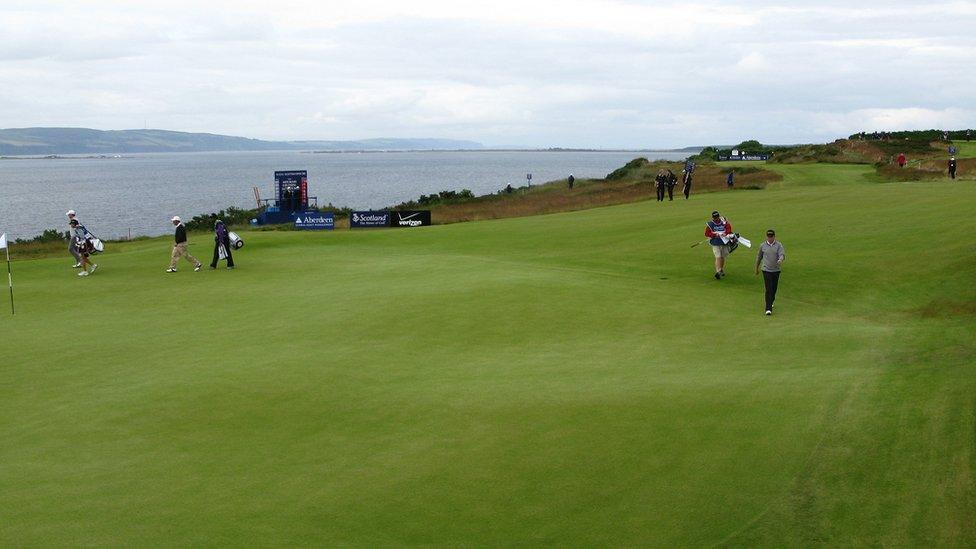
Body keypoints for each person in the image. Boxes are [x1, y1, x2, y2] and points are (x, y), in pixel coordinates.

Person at [755, 229, 785, 315]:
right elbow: (759, 257)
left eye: (771, 236)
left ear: (774, 236)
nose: (770, 238)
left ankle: (771, 301)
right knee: (768, 288)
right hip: (766, 269)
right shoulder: (762, 245)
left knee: (774, 288)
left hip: (776, 270)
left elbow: (782, 254)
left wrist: (780, 260)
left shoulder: (779, 245)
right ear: (766, 236)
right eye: (768, 236)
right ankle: (768, 308)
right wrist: (756, 268)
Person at [705, 210, 733, 279]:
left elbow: (729, 228)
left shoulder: (723, 221)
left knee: (722, 257)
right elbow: (707, 233)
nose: (716, 219)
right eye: (715, 218)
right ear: (712, 218)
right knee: (718, 256)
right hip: (715, 242)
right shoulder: (710, 224)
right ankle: (718, 271)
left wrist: (725, 233)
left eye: (717, 217)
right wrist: (714, 235)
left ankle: (721, 269)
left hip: (724, 242)